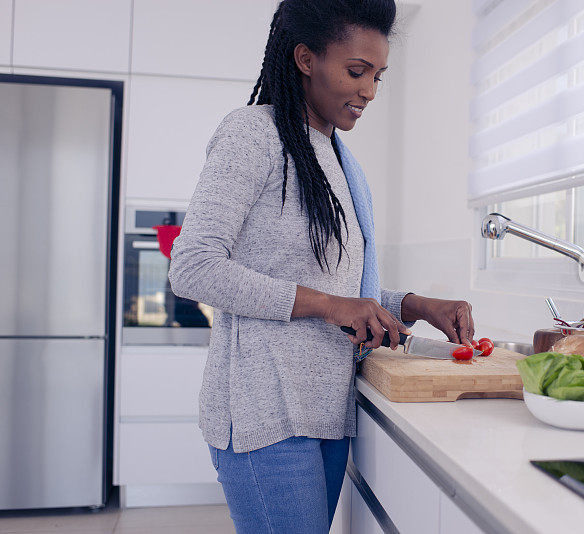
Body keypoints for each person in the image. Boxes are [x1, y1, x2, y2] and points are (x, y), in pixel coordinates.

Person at [168, 0, 475, 532]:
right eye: (356, 72)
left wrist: (415, 305)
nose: (370, 91)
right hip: (265, 413)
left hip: (326, 410)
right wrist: (331, 305)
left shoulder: (338, 159)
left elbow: (342, 290)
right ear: (306, 59)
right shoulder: (253, 134)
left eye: (378, 76)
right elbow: (192, 267)